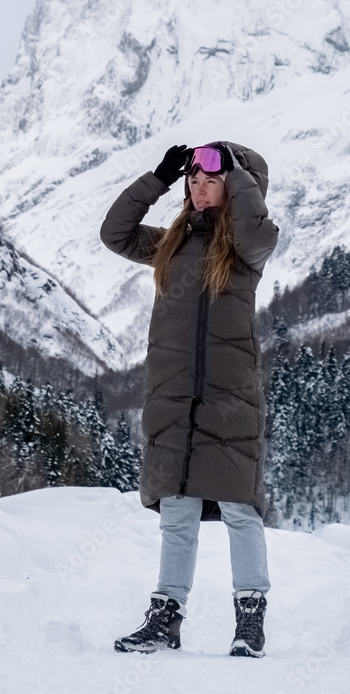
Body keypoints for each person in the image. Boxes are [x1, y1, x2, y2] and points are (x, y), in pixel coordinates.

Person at [99, 141, 279, 658]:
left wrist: (239, 171)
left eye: (211, 180)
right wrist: (156, 178)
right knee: (176, 512)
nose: (199, 189)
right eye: (193, 181)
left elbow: (248, 225)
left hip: (231, 397)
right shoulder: (170, 244)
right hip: (172, 396)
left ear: (235, 187)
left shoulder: (249, 247)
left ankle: (249, 621)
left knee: (239, 509)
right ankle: (165, 619)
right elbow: (115, 234)